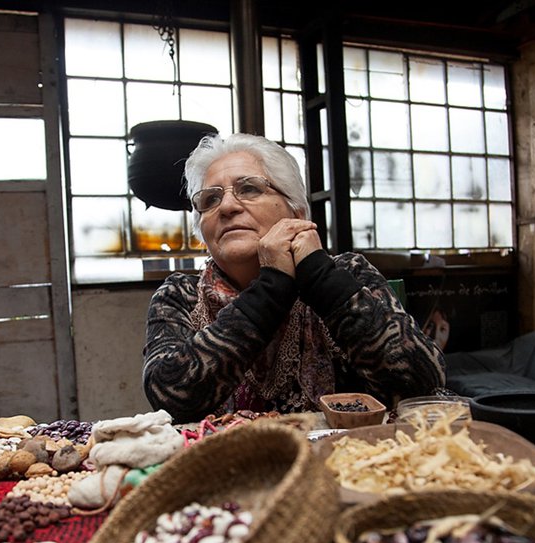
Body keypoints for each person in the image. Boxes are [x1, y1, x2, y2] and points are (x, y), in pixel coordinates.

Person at [141, 133, 446, 424]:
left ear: (296, 212)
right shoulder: (180, 295)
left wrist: (318, 275)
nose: (228, 207)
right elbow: (170, 398)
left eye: (249, 188)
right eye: (210, 199)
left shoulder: (347, 273)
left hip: (345, 462)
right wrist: (271, 288)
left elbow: (420, 382)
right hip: (226, 469)